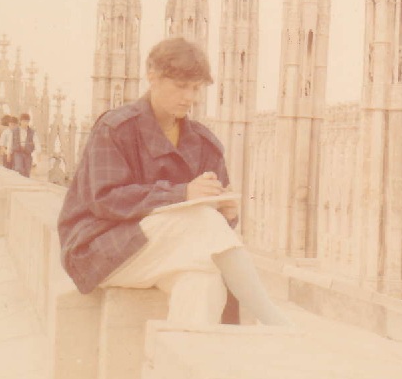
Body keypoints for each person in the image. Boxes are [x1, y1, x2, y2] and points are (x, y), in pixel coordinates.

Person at [57, 37, 289, 326]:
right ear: (152, 78)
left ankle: (183, 365)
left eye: (195, 88)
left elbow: (214, 228)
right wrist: (183, 193)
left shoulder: (205, 143)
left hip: (161, 252)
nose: (189, 97)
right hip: (101, 251)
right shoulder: (115, 127)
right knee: (204, 222)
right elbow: (105, 199)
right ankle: (273, 321)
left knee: (203, 281)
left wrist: (227, 213)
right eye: (181, 86)